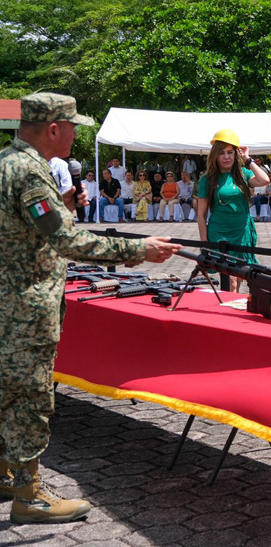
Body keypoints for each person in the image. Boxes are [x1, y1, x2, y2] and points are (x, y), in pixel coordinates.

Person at [0, 92, 180, 524]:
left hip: (11, 299)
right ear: (54, 129)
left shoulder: (8, 161)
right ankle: (30, 496)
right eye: (74, 126)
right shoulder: (29, 173)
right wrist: (137, 248)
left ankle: (6, 475)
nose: (77, 133)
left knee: (7, 391)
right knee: (29, 397)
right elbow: (68, 240)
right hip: (26, 306)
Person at [197, 129, 271, 292]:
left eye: (230, 152)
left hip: (241, 230)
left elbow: (265, 180)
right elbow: (201, 215)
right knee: (229, 280)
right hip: (219, 232)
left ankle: (232, 309)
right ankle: (228, 311)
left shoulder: (243, 174)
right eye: (222, 153)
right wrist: (204, 244)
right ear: (215, 155)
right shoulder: (207, 179)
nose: (226, 156)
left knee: (238, 278)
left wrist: (247, 159)